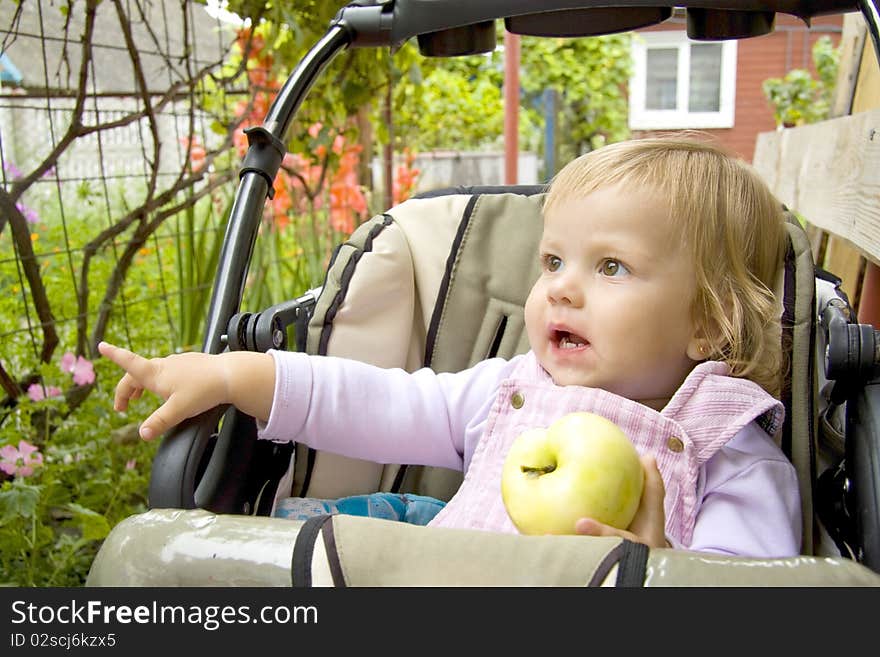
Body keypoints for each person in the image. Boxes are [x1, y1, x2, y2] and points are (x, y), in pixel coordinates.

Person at [99, 136, 801, 557]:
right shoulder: (511, 392)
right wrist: (235, 373)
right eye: (552, 262)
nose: (561, 289)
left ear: (708, 322)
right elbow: (377, 401)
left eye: (610, 266)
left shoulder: (731, 459)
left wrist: (659, 568)